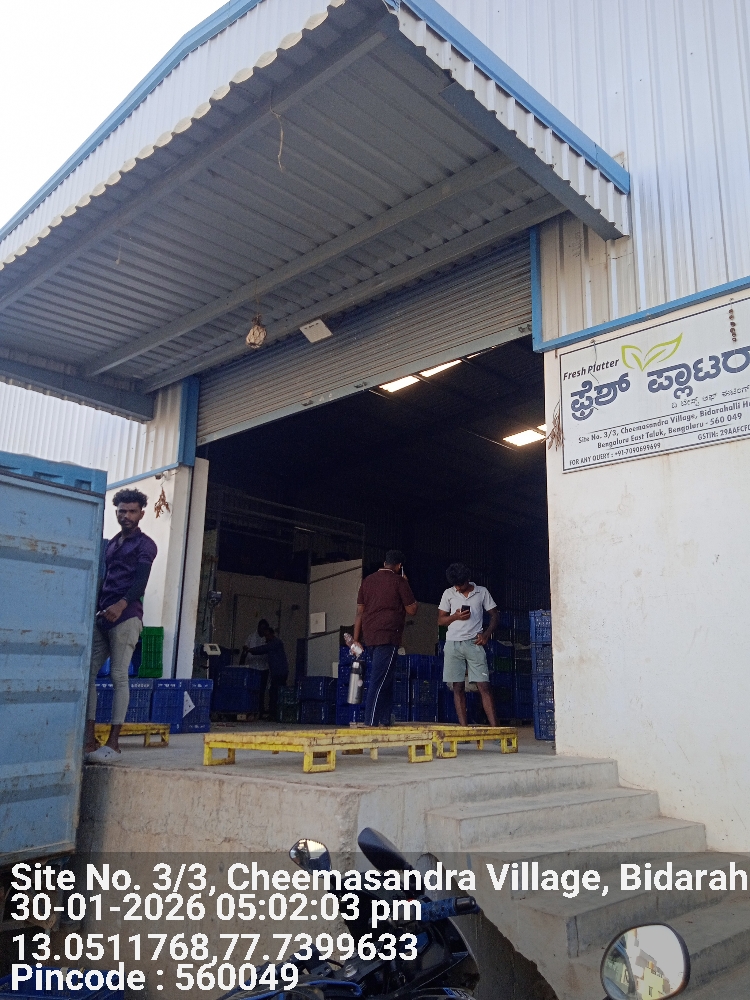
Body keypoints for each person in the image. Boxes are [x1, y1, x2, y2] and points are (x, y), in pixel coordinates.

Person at [84, 489, 158, 762]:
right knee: (87, 674)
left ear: (141, 514)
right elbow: (104, 579)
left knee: (118, 676)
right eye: (121, 511)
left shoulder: (146, 545)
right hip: (103, 616)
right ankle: (89, 739)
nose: (125, 516)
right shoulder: (112, 543)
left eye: (131, 511)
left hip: (126, 617)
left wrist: (121, 605)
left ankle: (114, 743)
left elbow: (140, 582)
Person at [353, 549, 418, 727]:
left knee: (386, 678)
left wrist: (356, 639)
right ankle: (371, 721)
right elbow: (412, 609)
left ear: (384, 563)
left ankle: (385, 718)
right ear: (399, 566)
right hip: (388, 635)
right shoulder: (399, 581)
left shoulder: (367, 581)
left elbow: (360, 612)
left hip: (370, 636)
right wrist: (406, 584)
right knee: (379, 680)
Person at [438, 562, 499, 727]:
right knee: (457, 687)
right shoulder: (448, 593)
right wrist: (455, 617)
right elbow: (441, 620)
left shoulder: (482, 592)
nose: (458, 588)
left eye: (461, 585)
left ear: (468, 579)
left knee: (484, 686)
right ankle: (464, 729)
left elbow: (494, 615)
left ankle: (496, 730)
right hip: (453, 644)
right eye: (456, 586)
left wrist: (486, 634)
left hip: (474, 643)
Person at [246, 623, 289, 721]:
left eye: (267, 635)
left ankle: (273, 714)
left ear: (271, 634)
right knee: (275, 692)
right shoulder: (276, 643)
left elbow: (262, 649)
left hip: (279, 673)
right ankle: (275, 714)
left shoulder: (275, 643)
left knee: (274, 693)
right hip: (279, 672)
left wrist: (250, 650)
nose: (266, 638)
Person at [240, 618, 271, 715]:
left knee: (262, 691)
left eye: (264, 629)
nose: (262, 631)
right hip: (252, 668)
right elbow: (245, 650)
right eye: (261, 628)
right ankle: (251, 709)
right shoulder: (251, 637)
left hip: (264, 668)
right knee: (252, 690)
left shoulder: (267, 638)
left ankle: (260, 710)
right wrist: (241, 665)